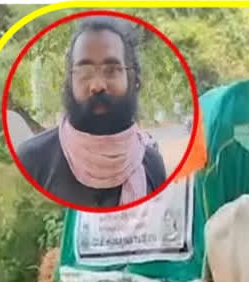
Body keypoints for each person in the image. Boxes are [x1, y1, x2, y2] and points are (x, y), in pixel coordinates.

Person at [16, 16, 166, 208]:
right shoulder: (33, 160)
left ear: (133, 79)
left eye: (111, 70)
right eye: (85, 72)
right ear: (69, 83)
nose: (97, 85)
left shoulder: (151, 165)